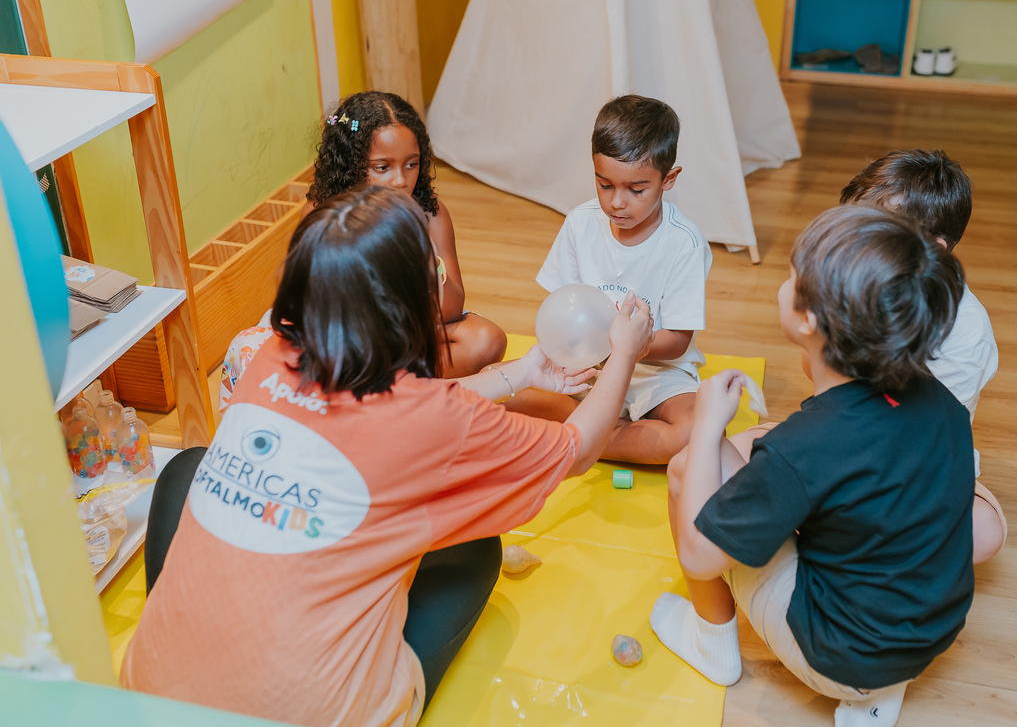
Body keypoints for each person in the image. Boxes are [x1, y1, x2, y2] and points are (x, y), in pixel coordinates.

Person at [124, 186, 653, 727]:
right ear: (412, 304)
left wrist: (520, 374)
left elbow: (401, 417)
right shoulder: (434, 418)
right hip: (319, 715)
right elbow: (579, 448)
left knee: (188, 466)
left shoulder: (267, 355)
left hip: (151, 698)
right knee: (475, 552)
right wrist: (625, 352)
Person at [652, 207, 975, 727]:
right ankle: (882, 689)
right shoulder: (942, 403)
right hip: (930, 632)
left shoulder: (803, 446)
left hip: (840, 655)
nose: (785, 283)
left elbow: (698, 556)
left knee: (689, 465)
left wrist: (709, 423)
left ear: (809, 321)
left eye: (792, 275)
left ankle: (710, 643)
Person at [218, 92, 506, 412]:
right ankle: (395, 393)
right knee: (266, 353)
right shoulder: (324, 211)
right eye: (382, 167)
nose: (400, 180)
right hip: (341, 334)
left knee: (485, 341)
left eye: (412, 164)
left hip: (406, 333)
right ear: (353, 164)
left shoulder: (430, 214)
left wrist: (426, 257)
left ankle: (382, 391)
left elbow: (451, 309)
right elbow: (304, 302)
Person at [508, 94, 711, 465]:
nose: (618, 202)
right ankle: (608, 434)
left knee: (697, 434)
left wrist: (630, 348)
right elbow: (560, 308)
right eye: (605, 185)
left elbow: (679, 340)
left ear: (669, 179)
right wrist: (582, 355)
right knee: (498, 392)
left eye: (636, 190)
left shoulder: (685, 243)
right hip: (588, 368)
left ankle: (585, 439)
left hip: (656, 372)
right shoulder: (580, 223)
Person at [839, 149, 1004, 563]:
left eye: (872, 230)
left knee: (983, 531)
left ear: (931, 248)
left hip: (920, 465)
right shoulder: (851, 285)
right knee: (726, 457)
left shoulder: (965, 332)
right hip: (842, 442)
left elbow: (920, 434)